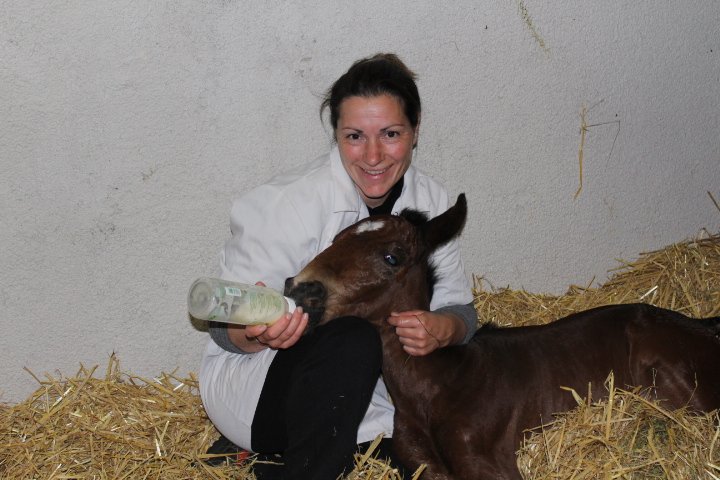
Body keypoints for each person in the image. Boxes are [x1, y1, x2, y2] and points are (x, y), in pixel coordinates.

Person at [199, 53, 476, 479]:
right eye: (354, 136)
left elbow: (461, 312)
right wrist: (254, 332)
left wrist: (445, 328)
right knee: (353, 338)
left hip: (371, 396)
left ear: (416, 129)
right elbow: (223, 328)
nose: (373, 156)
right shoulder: (285, 205)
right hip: (262, 388)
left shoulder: (431, 204)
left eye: (391, 134)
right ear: (336, 136)